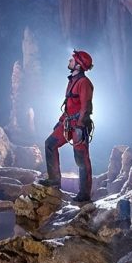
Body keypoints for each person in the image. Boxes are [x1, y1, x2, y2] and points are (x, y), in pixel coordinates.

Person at [38, 50, 94, 202]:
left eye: (72, 60)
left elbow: (85, 106)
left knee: (81, 158)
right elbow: (69, 105)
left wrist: (81, 126)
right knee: (50, 144)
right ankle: (54, 180)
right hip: (68, 122)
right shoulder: (72, 81)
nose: (69, 61)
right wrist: (61, 120)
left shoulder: (84, 83)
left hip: (78, 125)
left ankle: (84, 193)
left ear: (78, 65)